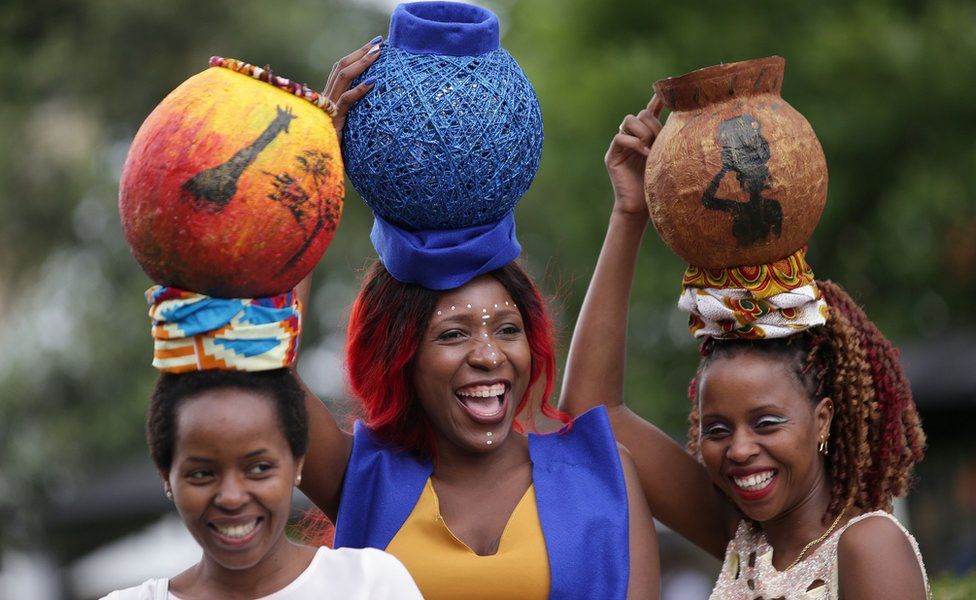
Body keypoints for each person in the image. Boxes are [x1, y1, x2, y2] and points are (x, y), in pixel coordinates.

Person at [294, 36, 660, 600]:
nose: (489, 355)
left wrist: (631, 210)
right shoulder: (362, 477)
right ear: (403, 357)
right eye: (454, 334)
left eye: (507, 329)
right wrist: (316, 161)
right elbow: (265, 364)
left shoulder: (604, 472)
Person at [560, 94, 930, 598]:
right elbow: (590, 414)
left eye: (766, 422)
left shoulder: (867, 546)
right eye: (717, 428)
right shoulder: (744, 536)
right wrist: (629, 214)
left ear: (821, 420)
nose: (738, 449)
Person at [104, 369, 423, 599]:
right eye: (202, 474)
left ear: (298, 463)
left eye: (258, 468)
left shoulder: (369, 585)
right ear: (167, 477)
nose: (231, 497)